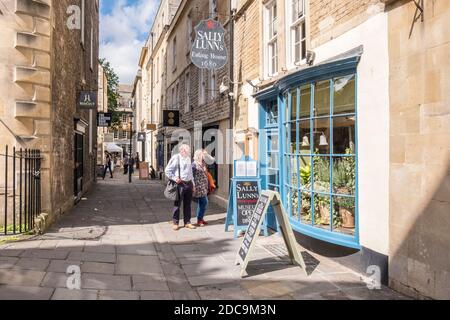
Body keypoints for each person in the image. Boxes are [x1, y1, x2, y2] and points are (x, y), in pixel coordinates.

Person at [165, 144, 196, 231]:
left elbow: (190, 173)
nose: (188, 152)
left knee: (188, 204)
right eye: (186, 151)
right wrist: (175, 178)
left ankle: (187, 222)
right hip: (180, 184)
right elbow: (167, 170)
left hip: (188, 183)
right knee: (177, 204)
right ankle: (175, 223)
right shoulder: (176, 158)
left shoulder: (188, 158)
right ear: (181, 150)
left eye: (188, 151)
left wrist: (193, 184)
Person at [192, 150, 211, 227]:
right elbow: (191, 176)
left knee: (202, 203)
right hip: (198, 187)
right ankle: (199, 220)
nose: (204, 157)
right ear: (199, 155)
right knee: (204, 202)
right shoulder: (194, 165)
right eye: (203, 155)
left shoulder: (203, 163)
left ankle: (200, 218)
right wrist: (193, 186)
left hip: (204, 186)